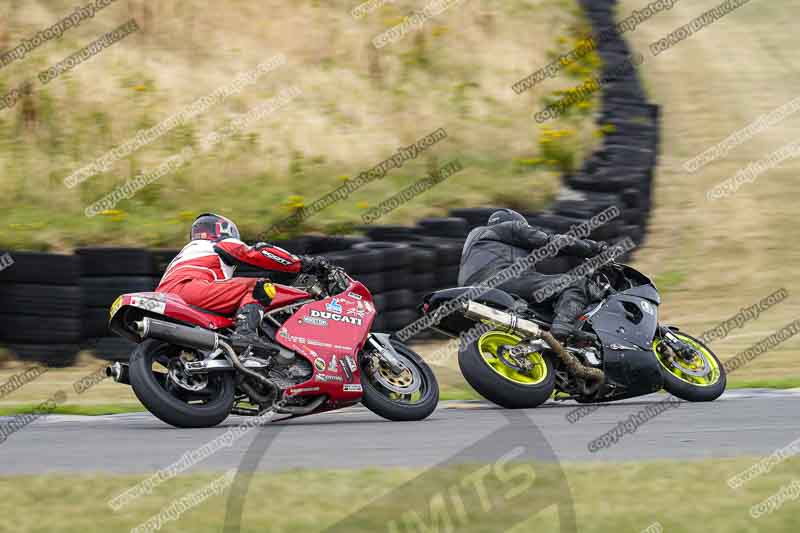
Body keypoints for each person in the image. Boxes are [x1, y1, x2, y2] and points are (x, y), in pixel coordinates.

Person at [156, 213, 330, 351]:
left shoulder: (186, 253)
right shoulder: (219, 243)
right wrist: (303, 264)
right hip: (190, 289)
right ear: (222, 230)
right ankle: (245, 334)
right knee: (259, 286)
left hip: (163, 296)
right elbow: (256, 253)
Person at [458, 209, 607, 342]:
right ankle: (562, 329)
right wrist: (593, 248)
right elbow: (553, 242)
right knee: (576, 282)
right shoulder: (510, 228)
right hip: (501, 280)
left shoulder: (479, 241)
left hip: (469, 290)